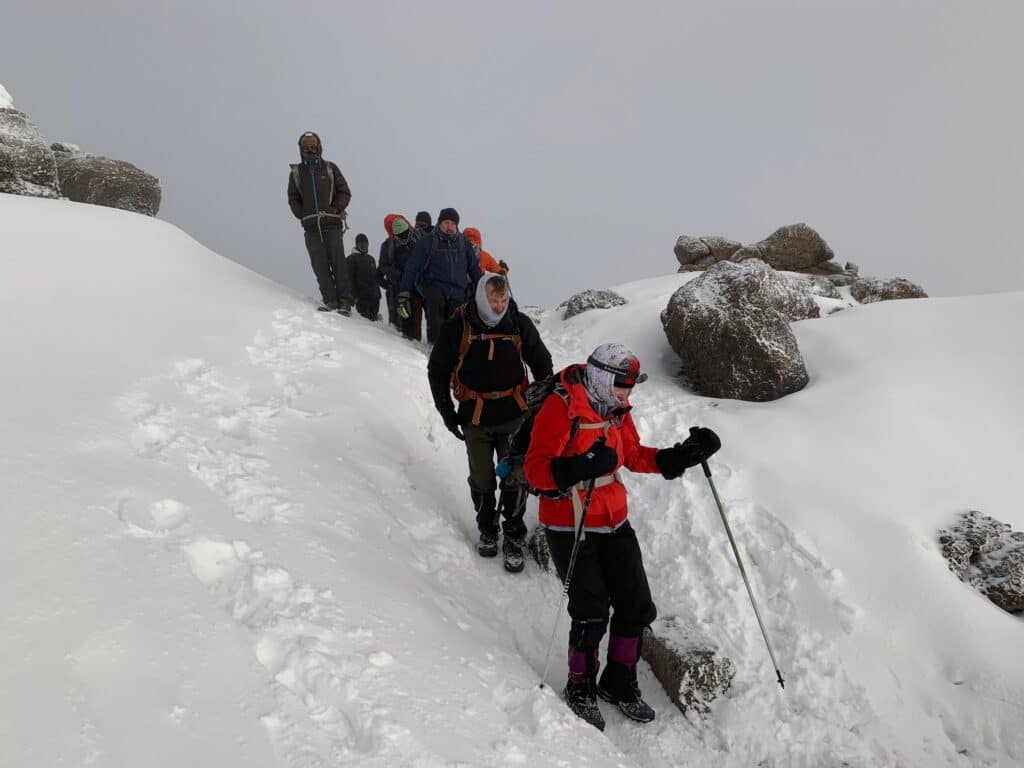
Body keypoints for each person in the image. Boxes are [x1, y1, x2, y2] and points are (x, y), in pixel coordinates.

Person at [523, 344, 721, 731]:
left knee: (636, 606)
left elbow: (631, 454)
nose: (626, 396)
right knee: (591, 611)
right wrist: (579, 466)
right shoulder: (561, 408)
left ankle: (618, 682)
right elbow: (535, 471)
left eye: (629, 389)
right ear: (600, 377)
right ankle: (580, 686)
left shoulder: (616, 411)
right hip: (570, 523)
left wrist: (679, 456)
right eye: (621, 387)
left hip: (614, 519)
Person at [428, 273, 552, 571]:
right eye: (493, 300)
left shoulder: (519, 324)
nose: (499, 306)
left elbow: (543, 366)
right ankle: (487, 528)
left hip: (515, 415)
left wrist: (540, 408)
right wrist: (446, 411)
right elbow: (438, 370)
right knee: (482, 477)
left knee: (515, 476)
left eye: (503, 299)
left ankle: (513, 534)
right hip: (476, 416)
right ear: (482, 297)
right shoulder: (459, 325)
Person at [287, 131, 354, 314]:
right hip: (311, 228)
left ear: (319, 147)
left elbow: (345, 192)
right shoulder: (296, 173)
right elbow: (293, 197)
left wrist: (335, 208)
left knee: (338, 263)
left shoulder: (330, 168)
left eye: (313, 145)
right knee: (320, 265)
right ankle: (331, 301)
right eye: (306, 146)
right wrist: (302, 214)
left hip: (332, 224)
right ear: (301, 149)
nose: (310, 148)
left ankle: (345, 301)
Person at [398, 208, 482, 344]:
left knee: (456, 325)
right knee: (436, 320)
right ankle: (434, 350)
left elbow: (474, 269)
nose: (450, 227)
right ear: (439, 224)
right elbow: (412, 268)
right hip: (434, 286)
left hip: (458, 291)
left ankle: (452, 356)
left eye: (453, 224)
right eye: (446, 223)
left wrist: (484, 290)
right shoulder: (428, 241)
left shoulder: (463, 243)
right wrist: (404, 292)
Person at [377, 214, 421, 337]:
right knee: (396, 320)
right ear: (393, 235)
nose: (405, 238)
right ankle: (396, 346)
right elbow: (383, 266)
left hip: (416, 286)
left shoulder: (417, 239)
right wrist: (397, 276)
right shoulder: (387, 246)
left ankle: (415, 344)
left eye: (406, 234)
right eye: (401, 236)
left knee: (416, 317)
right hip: (396, 288)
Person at [347, 233, 381, 321]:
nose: (364, 246)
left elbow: (375, 278)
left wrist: (378, 293)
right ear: (356, 245)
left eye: (366, 243)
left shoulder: (371, 259)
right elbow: (349, 278)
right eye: (361, 244)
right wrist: (354, 296)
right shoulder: (351, 259)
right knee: (365, 324)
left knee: (375, 324)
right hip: (361, 299)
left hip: (374, 298)